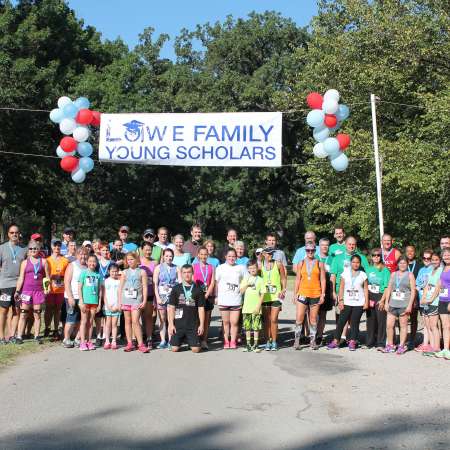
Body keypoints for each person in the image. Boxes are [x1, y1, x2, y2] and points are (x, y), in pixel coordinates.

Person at [330, 236, 369, 344]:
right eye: (349, 244)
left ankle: (350, 338)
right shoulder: (338, 258)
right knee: (341, 317)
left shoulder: (362, 258)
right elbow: (333, 275)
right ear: (345, 245)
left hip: (357, 295)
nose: (351, 246)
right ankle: (341, 337)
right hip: (341, 292)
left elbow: (367, 275)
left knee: (354, 319)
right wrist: (333, 291)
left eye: (353, 244)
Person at [14, 240, 50, 344]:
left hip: (38, 291)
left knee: (37, 314)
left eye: (35, 248)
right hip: (26, 291)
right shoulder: (25, 263)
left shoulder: (43, 261)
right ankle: (19, 336)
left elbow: (47, 277)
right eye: (31, 249)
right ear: (28, 250)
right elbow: (21, 278)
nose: (33, 250)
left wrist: (47, 289)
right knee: (23, 314)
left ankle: (37, 336)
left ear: (39, 249)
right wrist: (17, 291)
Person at [293, 243, 326, 350]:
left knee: (313, 319)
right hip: (302, 293)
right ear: (305, 251)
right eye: (308, 250)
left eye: (312, 250)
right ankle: (297, 340)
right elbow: (297, 279)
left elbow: (323, 279)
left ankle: (313, 341)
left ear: (315, 251)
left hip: (315, 294)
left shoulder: (320, 263)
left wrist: (323, 294)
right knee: (299, 317)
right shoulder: (301, 263)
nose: (310, 252)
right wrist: (295, 293)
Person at [168, 264, 205, 353]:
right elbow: (171, 307)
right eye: (184, 272)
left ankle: (190, 342)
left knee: (196, 350)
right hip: (179, 324)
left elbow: (201, 308)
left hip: (192, 325)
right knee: (174, 349)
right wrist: (171, 324)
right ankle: (183, 340)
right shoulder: (176, 289)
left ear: (192, 273)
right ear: (181, 274)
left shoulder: (198, 289)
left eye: (189, 272)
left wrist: (202, 325)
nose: (187, 275)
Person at [382, 256, 416, 355]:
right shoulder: (393, 274)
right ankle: (390, 345)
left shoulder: (410, 275)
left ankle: (401, 345)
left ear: (407, 264)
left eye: (404, 263)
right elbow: (389, 288)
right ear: (397, 264)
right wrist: (386, 302)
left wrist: (410, 305)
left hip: (404, 304)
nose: (402, 265)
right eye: (400, 263)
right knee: (389, 325)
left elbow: (413, 291)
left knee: (403, 326)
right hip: (392, 303)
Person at [0, 224, 27, 344]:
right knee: (3, 311)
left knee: (16, 310)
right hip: (5, 284)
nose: (14, 234)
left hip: (19, 285)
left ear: (19, 234)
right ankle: (1, 337)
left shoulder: (24, 249)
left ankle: (12, 335)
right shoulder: (2, 248)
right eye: (12, 233)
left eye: (16, 232)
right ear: (8, 234)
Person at [215, 248, 247, 349]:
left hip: (236, 300)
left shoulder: (241, 267)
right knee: (225, 322)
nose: (231, 258)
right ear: (225, 257)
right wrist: (216, 296)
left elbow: (247, 280)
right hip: (224, 299)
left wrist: (242, 290)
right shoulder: (220, 267)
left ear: (236, 257)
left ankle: (233, 341)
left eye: (233, 256)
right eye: (229, 256)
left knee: (234, 322)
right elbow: (216, 283)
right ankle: (226, 341)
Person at [118, 252, 148, 353]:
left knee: (135, 321)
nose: (130, 261)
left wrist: (144, 300)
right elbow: (120, 288)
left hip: (137, 300)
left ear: (136, 260)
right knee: (127, 321)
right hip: (126, 299)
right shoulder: (124, 272)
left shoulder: (142, 272)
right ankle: (129, 343)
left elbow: (145, 287)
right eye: (128, 260)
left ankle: (140, 344)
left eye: (132, 259)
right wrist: (119, 302)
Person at [261, 247, 287, 351]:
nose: (270, 255)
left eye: (272, 254)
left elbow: (283, 278)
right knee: (266, 320)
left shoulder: (278, 264)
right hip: (265, 296)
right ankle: (268, 341)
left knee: (274, 319)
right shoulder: (260, 265)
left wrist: (284, 289)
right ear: (264, 254)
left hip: (276, 295)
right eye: (268, 253)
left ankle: (275, 342)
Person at [153, 248, 180, 349]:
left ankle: (170, 340)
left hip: (172, 297)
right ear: (163, 257)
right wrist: (158, 298)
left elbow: (180, 283)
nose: (169, 258)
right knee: (162, 319)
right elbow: (155, 284)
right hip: (161, 297)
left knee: (171, 319)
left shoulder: (176, 268)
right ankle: (163, 340)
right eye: (167, 256)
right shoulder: (158, 268)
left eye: (170, 256)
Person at [365, 248, 391, 349]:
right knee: (370, 319)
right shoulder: (368, 269)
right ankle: (370, 342)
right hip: (370, 295)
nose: (376, 257)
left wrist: (383, 300)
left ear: (381, 257)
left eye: (378, 255)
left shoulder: (385, 270)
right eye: (374, 255)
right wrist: (367, 298)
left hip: (380, 296)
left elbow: (386, 287)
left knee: (381, 320)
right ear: (371, 257)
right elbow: (365, 284)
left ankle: (380, 343)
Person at [62, 247, 87, 348]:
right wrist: (70, 297)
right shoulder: (72, 265)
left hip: (83, 298)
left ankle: (77, 338)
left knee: (82, 320)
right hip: (72, 297)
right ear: (76, 255)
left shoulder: (87, 267)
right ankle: (66, 339)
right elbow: (66, 282)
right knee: (71, 319)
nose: (83, 256)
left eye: (85, 254)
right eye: (81, 254)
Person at [44, 239, 69, 339]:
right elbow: (45, 275)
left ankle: (55, 330)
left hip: (61, 289)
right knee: (49, 309)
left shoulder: (65, 260)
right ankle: (47, 328)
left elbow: (67, 274)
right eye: (55, 246)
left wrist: (61, 278)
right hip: (50, 288)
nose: (57, 248)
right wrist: (47, 285)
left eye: (59, 246)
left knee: (57, 310)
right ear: (51, 247)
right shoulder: (47, 260)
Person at [78, 254, 103, 351]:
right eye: (90, 261)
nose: (92, 263)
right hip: (85, 301)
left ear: (96, 263)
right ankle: (82, 342)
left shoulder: (98, 275)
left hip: (94, 302)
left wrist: (99, 303)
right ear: (87, 262)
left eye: (94, 261)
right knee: (84, 321)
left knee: (91, 322)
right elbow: (79, 288)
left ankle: (89, 341)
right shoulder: (83, 273)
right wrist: (81, 301)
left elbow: (100, 290)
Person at [192, 246, 215, 349]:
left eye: (205, 254)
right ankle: (196, 339)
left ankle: (204, 340)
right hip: (197, 296)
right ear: (198, 255)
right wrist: (199, 294)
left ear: (208, 255)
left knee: (206, 319)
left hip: (207, 296)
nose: (203, 256)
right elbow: (192, 281)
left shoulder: (211, 267)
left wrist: (207, 294)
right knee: (196, 318)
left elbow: (212, 282)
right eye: (201, 254)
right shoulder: (194, 266)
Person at [429, 248, 450, 359]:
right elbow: (439, 284)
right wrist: (432, 298)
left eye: (448, 255)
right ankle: (445, 349)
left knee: (448, 326)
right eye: (445, 255)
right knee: (445, 326)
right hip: (442, 300)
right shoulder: (443, 269)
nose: (446, 257)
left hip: (449, 300)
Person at [240, 260, 264, 353]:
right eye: (250, 268)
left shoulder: (260, 280)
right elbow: (241, 291)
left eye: (254, 267)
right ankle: (248, 344)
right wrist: (247, 284)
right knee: (247, 327)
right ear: (248, 270)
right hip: (246, 307)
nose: (252, 270)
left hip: (256, 307)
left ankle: (256, 345)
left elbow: (262, 294)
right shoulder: (246, 278)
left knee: (256, 326)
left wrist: (258, 306)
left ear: (257, 268)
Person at [420, 253, 443, 355]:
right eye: (433, 260)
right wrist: (423, 298)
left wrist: (431, 300)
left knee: (434, 326)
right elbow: (426, 286)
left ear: (440, 260)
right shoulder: (430, 271)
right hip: (426, 302)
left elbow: (438, 288)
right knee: (428, 325)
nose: (434, 261)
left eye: (436, 260)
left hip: (434, 302)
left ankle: (436, 347)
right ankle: (432, 346)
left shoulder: (440, 271)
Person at [415, 249, 434, 351]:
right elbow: (417, 284)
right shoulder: (421, 270)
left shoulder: (434, 269)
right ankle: (425, 343)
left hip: (430, 300)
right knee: (425, 323)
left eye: (429, 258)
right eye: (424, 258)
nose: (426, 260)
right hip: (421, 300)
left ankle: (432, 344)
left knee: (431, 324)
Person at [316, 238, 334, 345]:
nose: (325, 247)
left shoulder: (332, 259)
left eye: (327, 245)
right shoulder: (314, 257)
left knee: (323, 314)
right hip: (315, 288)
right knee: (313, 314)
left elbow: (333, 275)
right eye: (323, 245)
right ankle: (312, 334)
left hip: (326, 289)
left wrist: (332, 292)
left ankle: (319, 335)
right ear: (319, 246)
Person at [139, 242, 157, 349]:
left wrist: (155, 296)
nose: (148, 252)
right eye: (146, 249)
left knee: (148, 316)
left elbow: (156, 280)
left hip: (150, 292)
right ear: (142, 250)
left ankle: (149, 337)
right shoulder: (138, 261)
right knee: (138, 317)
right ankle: (139, 337)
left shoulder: (155, 262)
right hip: (138, 294)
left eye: (150, 250)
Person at [103, 263, 121, 350]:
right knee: (107, 324)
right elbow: (104, 295)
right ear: (109, 271)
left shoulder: (120, 281)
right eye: (112, 271)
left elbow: (120, 295)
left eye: (116, 271)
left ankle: (114, 341)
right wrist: (107, 305)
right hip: (108, 306)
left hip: (116, 306)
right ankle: (107, 341)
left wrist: (118, 305)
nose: (114, 273)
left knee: (114, 324)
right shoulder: (106, 281)